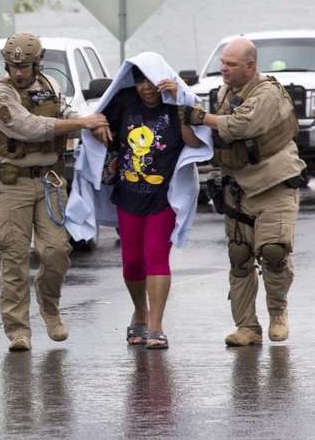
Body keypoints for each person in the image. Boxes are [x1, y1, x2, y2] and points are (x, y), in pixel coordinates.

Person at [66, 53, 213, 350]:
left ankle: (156, 325)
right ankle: (140, 312)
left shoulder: (177, 104)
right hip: (128, 195)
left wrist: (183, 104)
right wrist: (97, 127)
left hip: (164, 196)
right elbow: (97, 123)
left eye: (151, 80)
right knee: (132, 262)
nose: (145, 87)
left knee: (156, 255)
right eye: (139, 80)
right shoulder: (124, 100)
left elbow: (195, 142)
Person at [0, 33, 109, 352]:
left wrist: (90, 124)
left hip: (49, 182)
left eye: (25, 66)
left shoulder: (49, 87)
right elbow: (29, 127)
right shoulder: (0, 93)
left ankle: (50, 308)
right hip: (13, 183)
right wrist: (82, 123)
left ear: (37, 63)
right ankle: (18, 330)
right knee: (13, 257)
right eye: (13, 67)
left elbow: (65, 113)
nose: (19, 73)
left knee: (56, 251)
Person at [179, 37, 305, 346]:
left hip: (274, 185)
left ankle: (278, 314)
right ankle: (247, 326)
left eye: (231, 64)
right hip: (238, 188)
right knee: (239, 257)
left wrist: (199, 116)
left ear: (251, 66)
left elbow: (240, 126)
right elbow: (215, 134)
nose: (223, 69)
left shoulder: (268, 92)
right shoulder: (225, 92)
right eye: (222, 63)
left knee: (274, 252)